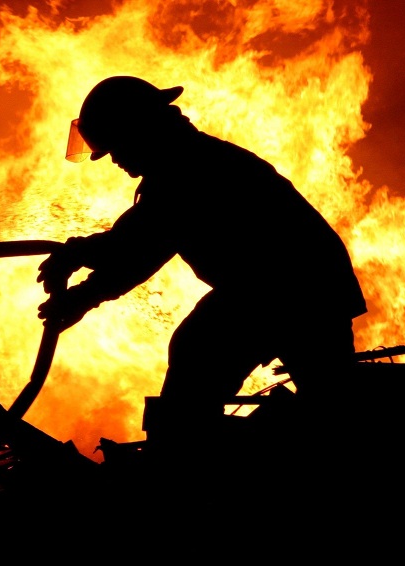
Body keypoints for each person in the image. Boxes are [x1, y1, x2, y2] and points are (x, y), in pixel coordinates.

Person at [37, 75, 367, 450]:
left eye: (116, 147)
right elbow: (141, 251)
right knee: (331, 404)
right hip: (296, 287)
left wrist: (77, 262)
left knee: (198, 360)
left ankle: (190, 461)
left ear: (139, 129)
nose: (114, 160)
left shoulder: (187, 167)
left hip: (289, 289)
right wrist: (82, 295)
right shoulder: (183, 161)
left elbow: (138, 243)